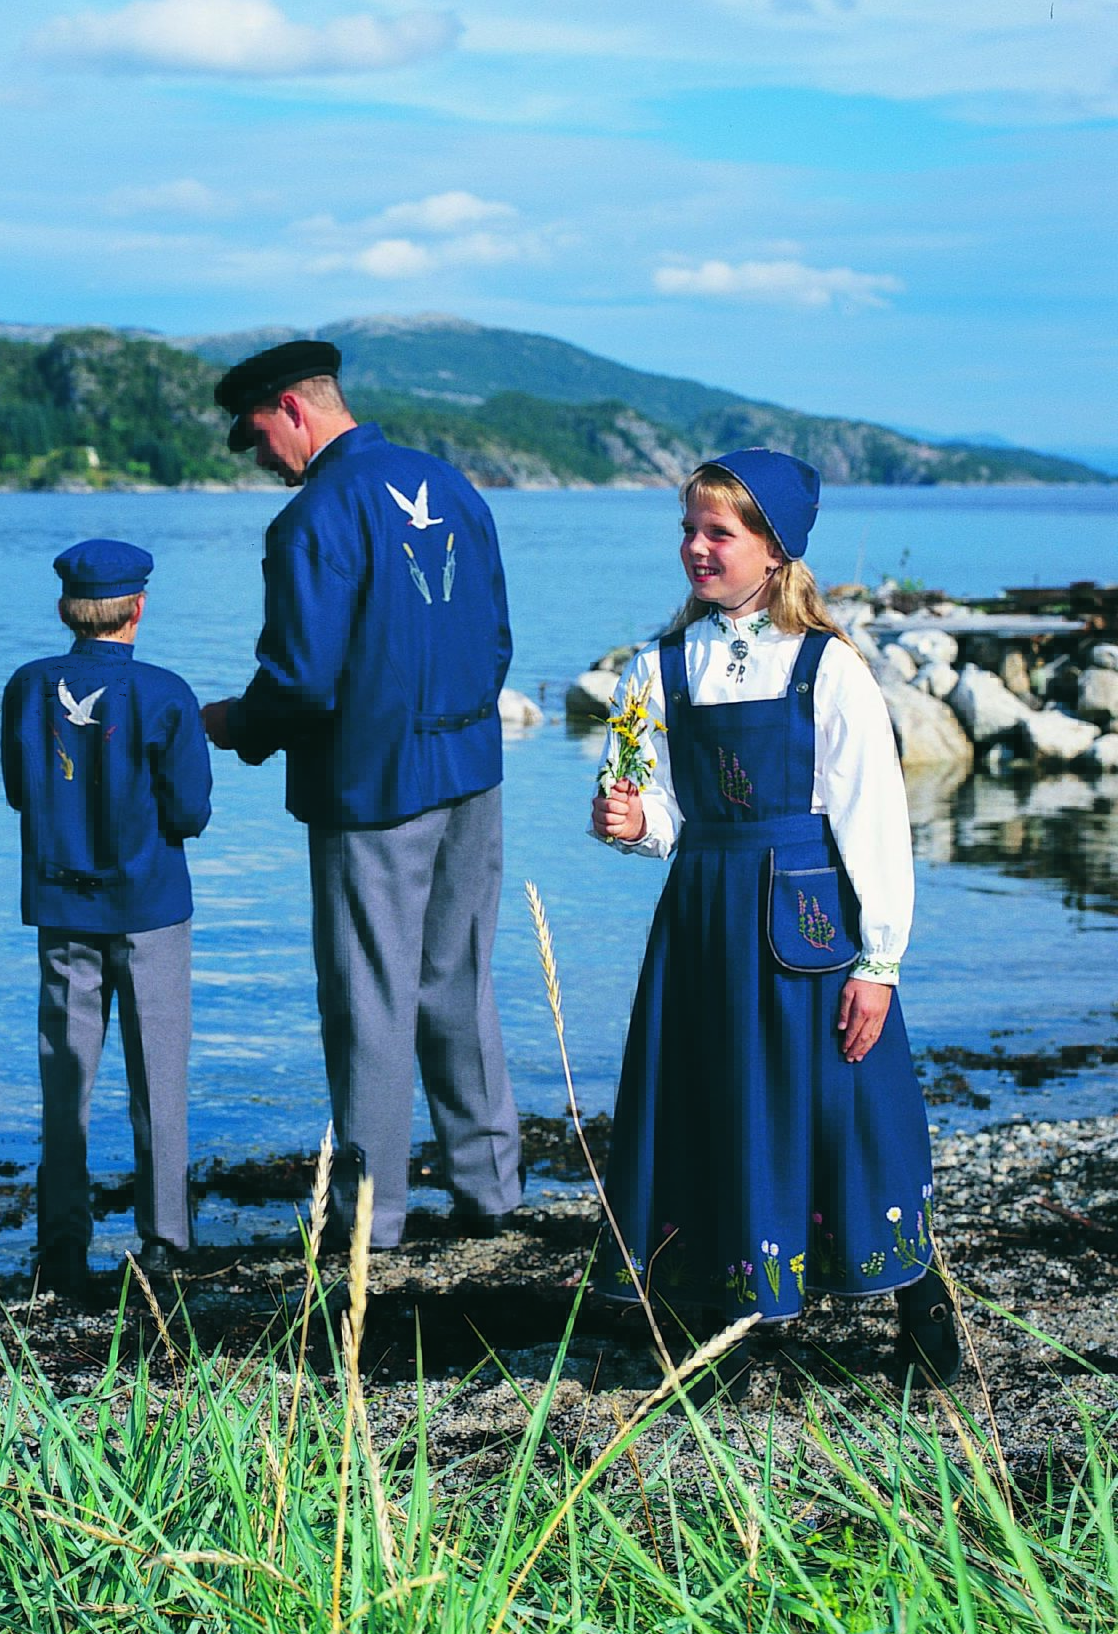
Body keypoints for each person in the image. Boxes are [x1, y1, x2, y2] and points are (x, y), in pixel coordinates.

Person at [589, 447, 958, 1386]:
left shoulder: (827, 668)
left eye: (719, 532)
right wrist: (633, 823)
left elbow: (873, 818)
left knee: (848, 1110)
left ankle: (924, 1307)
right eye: (688, 530)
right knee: (717, 1105)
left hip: (811, 928)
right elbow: (667, 815)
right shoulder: (660, 665)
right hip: (704, 919)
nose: (697, 548)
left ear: (773, 546)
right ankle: (730, 1315)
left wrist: (879, 963)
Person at [200, 342, 521, 1250]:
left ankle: (369, 1222)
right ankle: (490, 1190)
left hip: (374, 789)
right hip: (472, 773)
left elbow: (301, 682)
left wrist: (237, 725)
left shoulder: (314, 517)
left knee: (369, 1001)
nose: (259, 456)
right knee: (460, 981)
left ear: (292, 410)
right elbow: (495, 637)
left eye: (258, 433)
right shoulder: (452, 486)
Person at [0, 540, 212, 1293]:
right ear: (139, 607)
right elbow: (190, 812)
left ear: (67, 610)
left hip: (62, 907)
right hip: (151, 905)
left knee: (66, 1080)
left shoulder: (28, 686)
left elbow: (21, 793)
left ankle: (62, 1245)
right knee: (159, 1078)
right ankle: (164, 1240)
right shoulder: (166, 693)